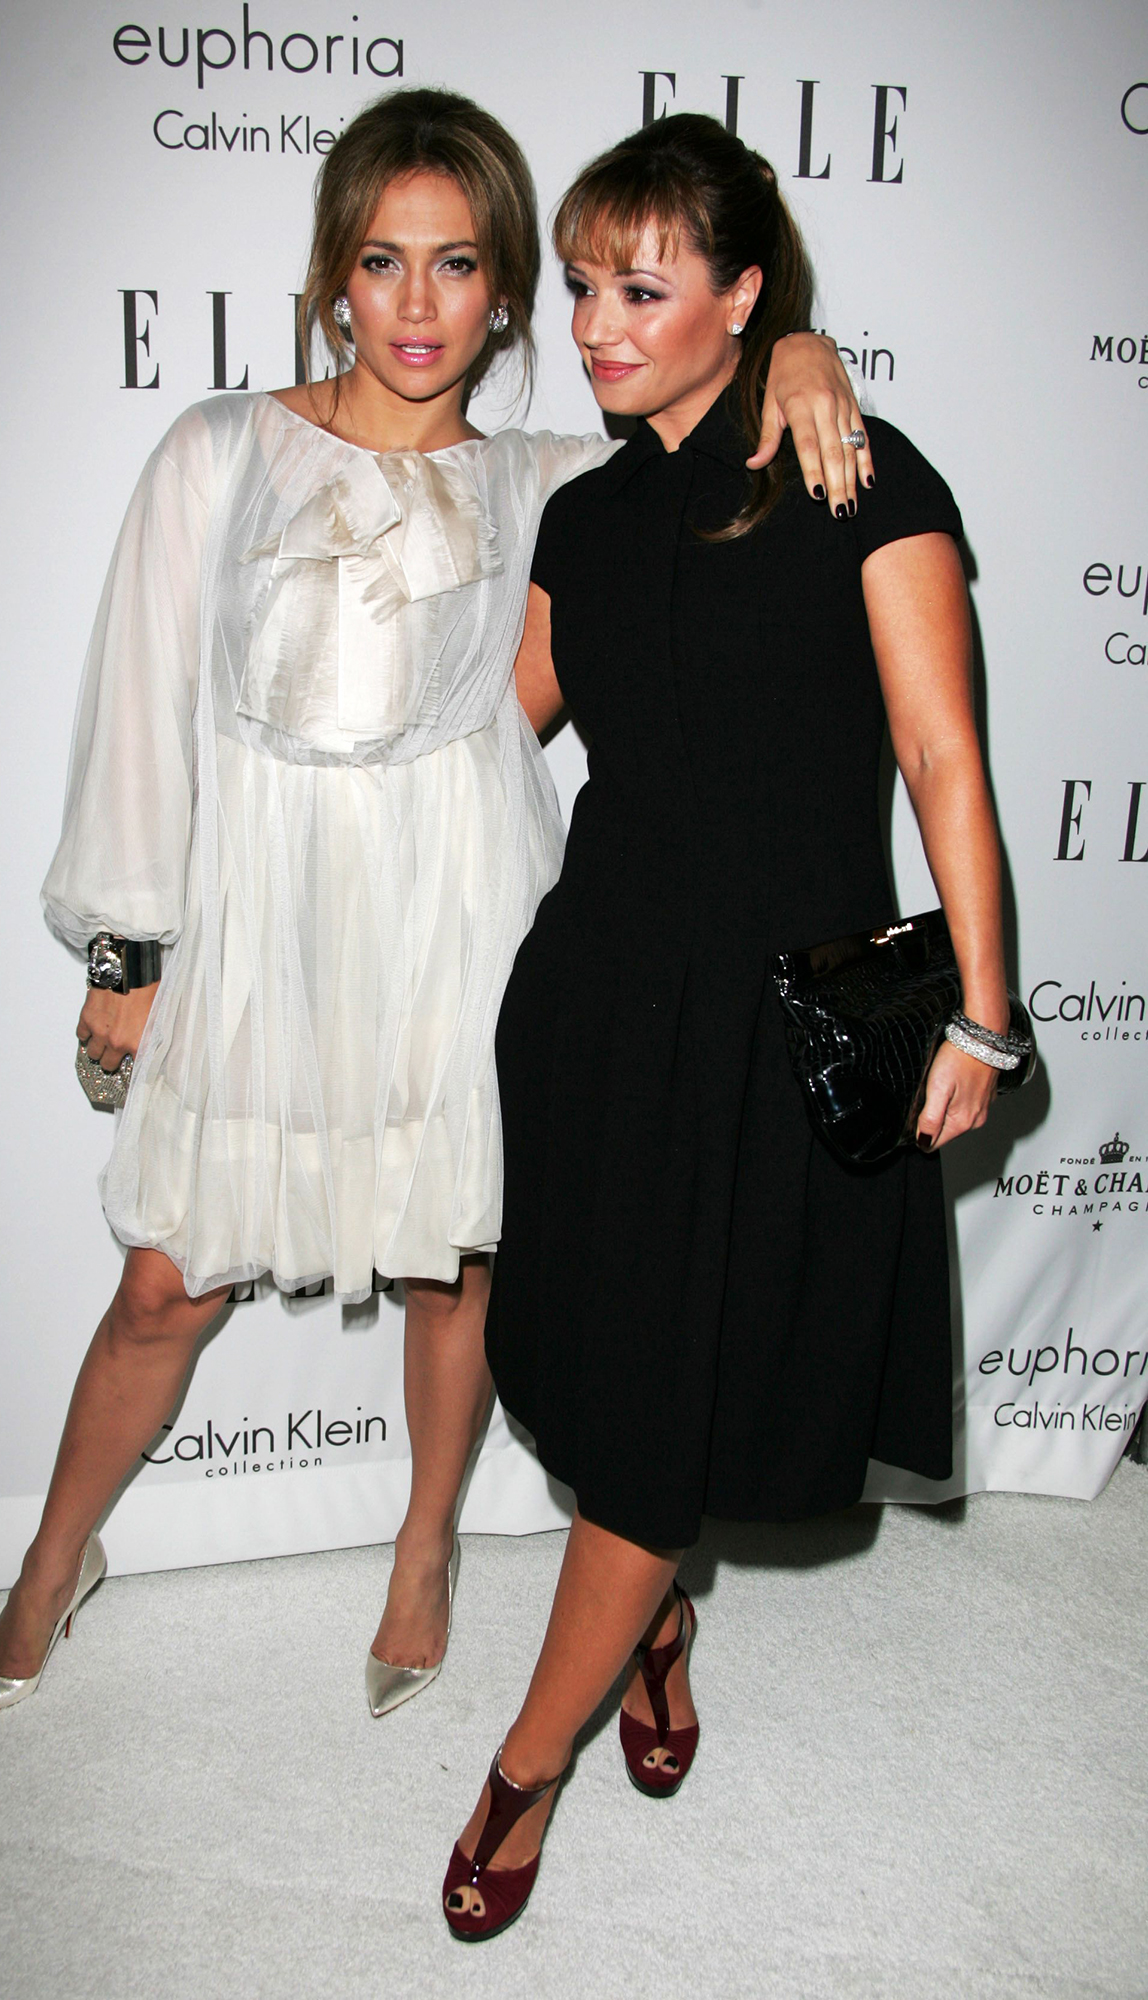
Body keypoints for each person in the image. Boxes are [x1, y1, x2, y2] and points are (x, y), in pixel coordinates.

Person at [0, 91, 865, 1725]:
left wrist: (802, 350)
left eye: (458, 264)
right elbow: (141, 710)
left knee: (457, 1264)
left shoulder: (553, 480)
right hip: (262, 922)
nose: (420, 304)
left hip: (462, 912)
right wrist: (127, 948)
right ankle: (48, 1563)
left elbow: (723, 426)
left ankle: (424, 1546)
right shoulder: (220, 451)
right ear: (335, 275)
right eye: (384, 261)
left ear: (508, 288)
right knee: (167, 1279)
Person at [443, 112, 1023, 1939]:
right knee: (599, 1366)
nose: (596, 327)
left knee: (655, 1413)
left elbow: (941, 755)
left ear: (745, 294)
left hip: (770, 1026)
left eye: (644, 289)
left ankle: (525, 1760)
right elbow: (493, 731)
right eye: (582, 289)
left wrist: (984, 1020)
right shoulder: (583, 515)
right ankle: (657, 1627)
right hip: (594, 1006)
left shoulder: (856, 473)